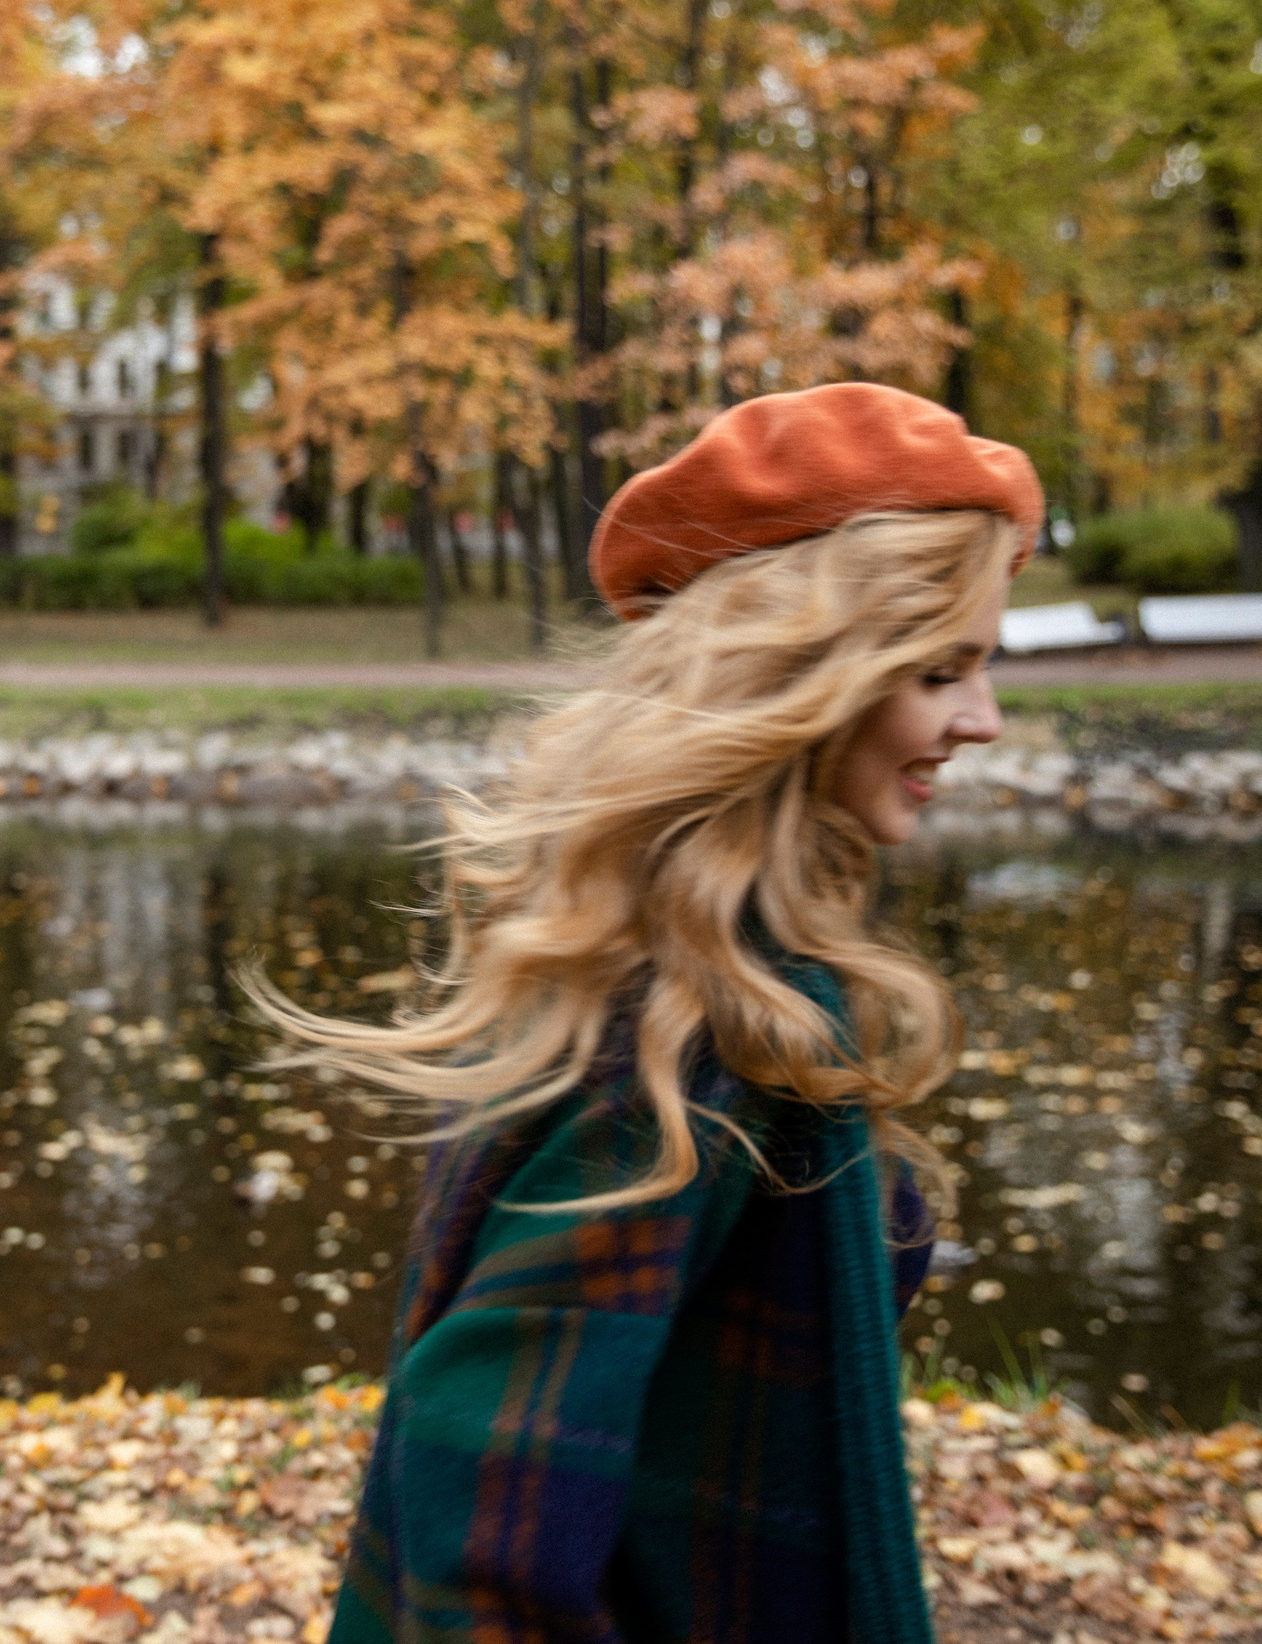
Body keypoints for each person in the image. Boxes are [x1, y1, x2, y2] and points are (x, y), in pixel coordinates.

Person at [260, 383, 1042, 1644]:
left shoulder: (713, 975)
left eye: (984, 664)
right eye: (940, 670)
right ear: (800, 676)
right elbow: (480, 1518)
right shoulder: (690, 1031)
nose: (981, 719)